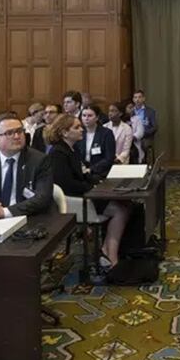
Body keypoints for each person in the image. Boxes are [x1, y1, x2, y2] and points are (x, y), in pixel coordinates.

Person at [45, 114, 132, 269]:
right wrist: (94, 188)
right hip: (75, 200)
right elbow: (67, 184)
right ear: (65, 132)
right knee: (120, 210)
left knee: (126, 204)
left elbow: (83, 174)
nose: (82, 130)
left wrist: (99, 183)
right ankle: (110, 255)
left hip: (85, 194)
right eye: (77, 127)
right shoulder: (58, 153)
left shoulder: (72, 149)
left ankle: (106, 249)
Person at [79, 105, 117, 180]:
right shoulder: (79, 132)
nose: (86, 118)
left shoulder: (106, 133)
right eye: (84, 115)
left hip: (100, 172)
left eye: (90, 116)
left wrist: (91, 169)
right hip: (82, 171)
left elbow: (109, 158)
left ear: (97, 117)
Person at [132, 90, 157, 159]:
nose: (137, 99)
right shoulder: (131, 111)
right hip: (133, 136)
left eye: (139, 97)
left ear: (143, 99)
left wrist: (143, 133)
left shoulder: (150, 111)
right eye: (135, 97)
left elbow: (154, 127)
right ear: (133, 99)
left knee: (144, 145)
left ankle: (145, 163)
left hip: (145, 137)